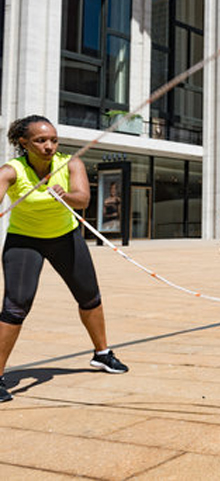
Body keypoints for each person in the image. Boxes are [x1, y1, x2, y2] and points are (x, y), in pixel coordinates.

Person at [0, 116, 129, 402]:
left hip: (65, 238)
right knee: (15, 306)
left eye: (53, 140)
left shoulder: (70, 163)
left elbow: (82, 199)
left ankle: (102, 354)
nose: (49, 146)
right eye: (40, 140)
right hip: (24, 241)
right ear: (24, 142)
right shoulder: (12, 170)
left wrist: (65, 194)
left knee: (89, 297)